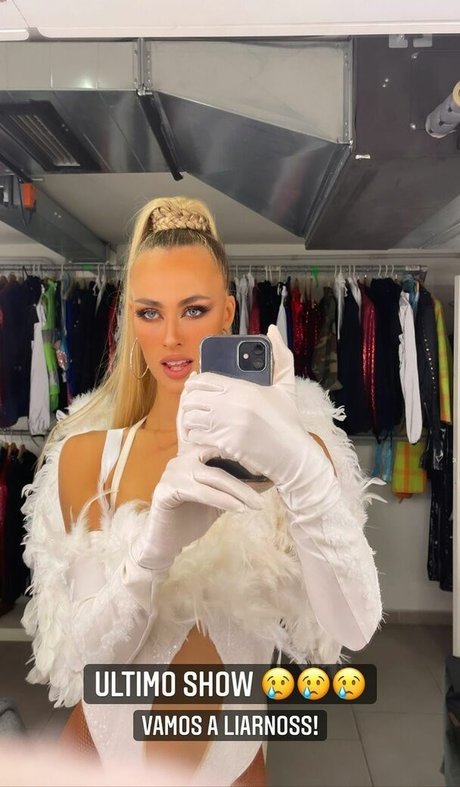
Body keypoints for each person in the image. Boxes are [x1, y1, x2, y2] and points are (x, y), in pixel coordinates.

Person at [20, 197, 383, 786]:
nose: (170, 337)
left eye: (193, 309)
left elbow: (353, 626)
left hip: (232, 770)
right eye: (149, 312)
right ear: (130, 320)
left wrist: (299, 466)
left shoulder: (297, 453)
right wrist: (153, 553)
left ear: (228, 313)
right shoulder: (88, 458)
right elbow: (86, 658)